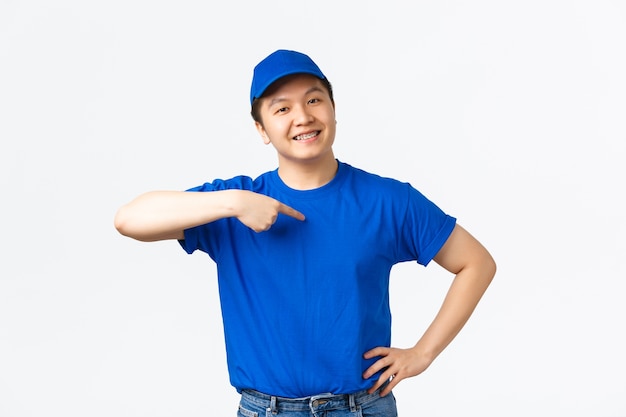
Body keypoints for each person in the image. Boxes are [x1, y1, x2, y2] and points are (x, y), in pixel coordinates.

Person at [114, 49, 496, 416]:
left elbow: (476, 263)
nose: (302, 117)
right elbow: (129, 219)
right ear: (262, 129)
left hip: (361, 407)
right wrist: (232, 203)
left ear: (332, 110)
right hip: (265, 409)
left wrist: (422, 353)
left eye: (314, 101)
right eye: (282, 108)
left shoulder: (387, 201)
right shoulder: (234, 204)